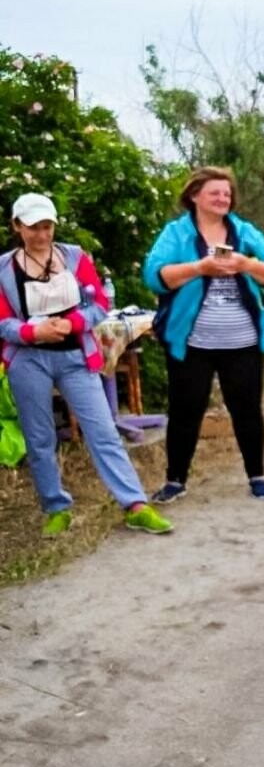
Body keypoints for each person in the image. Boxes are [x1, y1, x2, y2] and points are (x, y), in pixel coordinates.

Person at [0, 193, 172, 536]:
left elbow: (99, 303)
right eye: (33, 227)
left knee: (103, 431)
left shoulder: (75, 258)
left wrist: (74, 324)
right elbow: (2, 321)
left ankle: (135, 504)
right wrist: (33, 331)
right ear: (17, 226)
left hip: (75, 357)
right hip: (28, 359)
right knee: (39, 437)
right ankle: (56, 507)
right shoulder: (3, 268)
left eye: (47, 226)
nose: (41, 234)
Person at [143, 166, 264, 503]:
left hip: (244, 342)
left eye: (227, 193)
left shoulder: (244, 232)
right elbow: (153, 275)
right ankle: (175, 480)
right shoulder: (176, 234)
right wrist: (199, 268)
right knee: (184, 412)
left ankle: (257, 475)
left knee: (248, 410)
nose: (224, 198)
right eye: (215, 192)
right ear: (195, 196)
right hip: (190, 343)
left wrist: (247, 265)